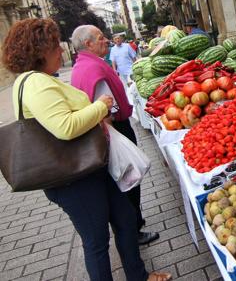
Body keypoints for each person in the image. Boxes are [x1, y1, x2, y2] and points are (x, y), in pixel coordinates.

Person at [1, 18, 171, 281]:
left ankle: (139, 276)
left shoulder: (41, 80)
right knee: (96, 241)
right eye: (55, 45)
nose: (61, 50)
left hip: (90, 168)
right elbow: (65, 127)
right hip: (72, 178)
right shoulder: (35, 83)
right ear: (39, 51)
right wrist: (101, 106)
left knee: (125, 218)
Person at [70, 25, 160, 246]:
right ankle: (133, 230)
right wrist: (115, 140)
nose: (106, 41)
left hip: (104, 132)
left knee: (122, 179)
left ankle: (131, 225)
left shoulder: (82, 66)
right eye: (100, 38)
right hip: (113, 130)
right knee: (128, 177)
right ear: (88, 43)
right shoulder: (94, 69)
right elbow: (106, 109)